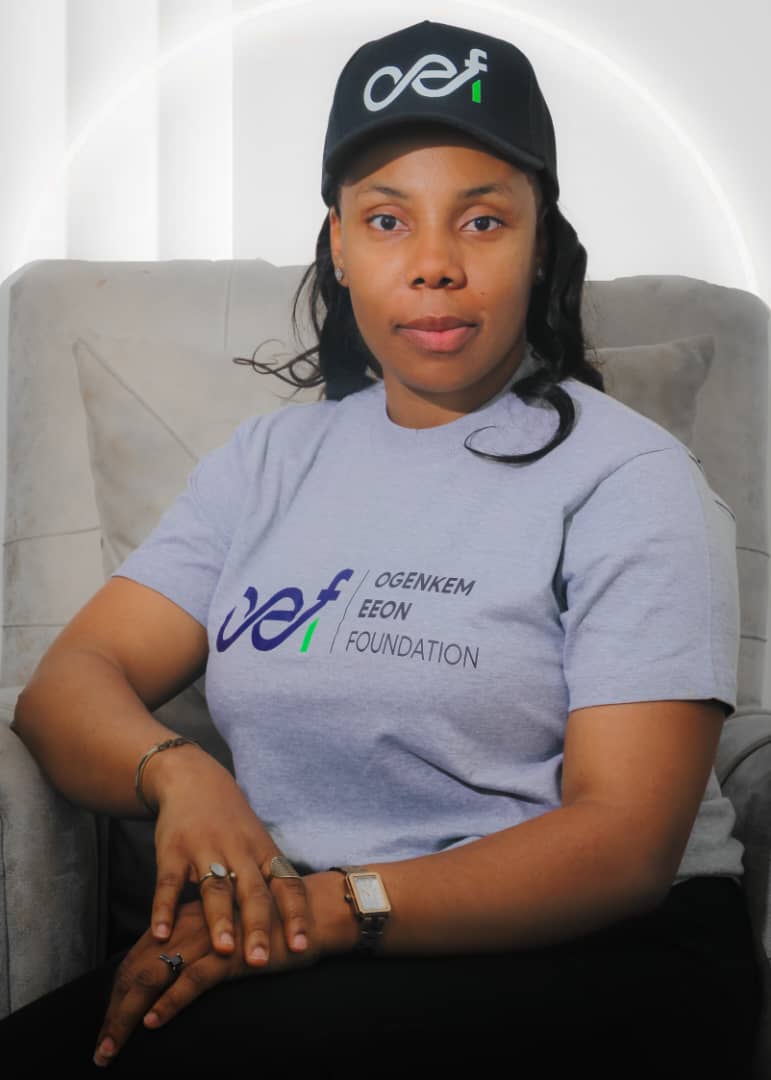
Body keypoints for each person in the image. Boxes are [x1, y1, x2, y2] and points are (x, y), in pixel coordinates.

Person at [0, 18, 763, 1077]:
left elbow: (624, 846)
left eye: (483, 220)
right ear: (340, 245)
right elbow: (68, 686)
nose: (436, 265)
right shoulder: (269, 462)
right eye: (388, 220)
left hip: (598, 950)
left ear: (540, 242)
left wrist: (318, 913)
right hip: (309, 945)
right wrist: (179, 775)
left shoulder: (629, 477)